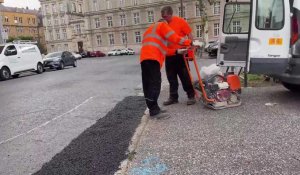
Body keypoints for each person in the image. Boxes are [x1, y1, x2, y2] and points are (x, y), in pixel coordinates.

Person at [140, 19, 196, 119]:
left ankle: (154, 107)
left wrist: (177, 51)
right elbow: (174, 37)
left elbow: (163, 50)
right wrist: (190, 42)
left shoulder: (149, 30)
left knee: (148, 84)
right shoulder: (162, 25)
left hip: (145, 59)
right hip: (153, 59)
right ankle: (154, 112)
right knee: (154, 84)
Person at [161, 6, 196, 106]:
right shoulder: (163, 25)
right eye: (163, 17)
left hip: (181, 54)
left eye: (166, 16)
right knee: (171, 77)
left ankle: (191, 95)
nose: (164, 19)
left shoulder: (180, 21)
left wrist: (190, 47)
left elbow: (189, 34)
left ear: (171, 14)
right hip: (170, 54)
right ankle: (173, 97)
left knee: (185, 76)